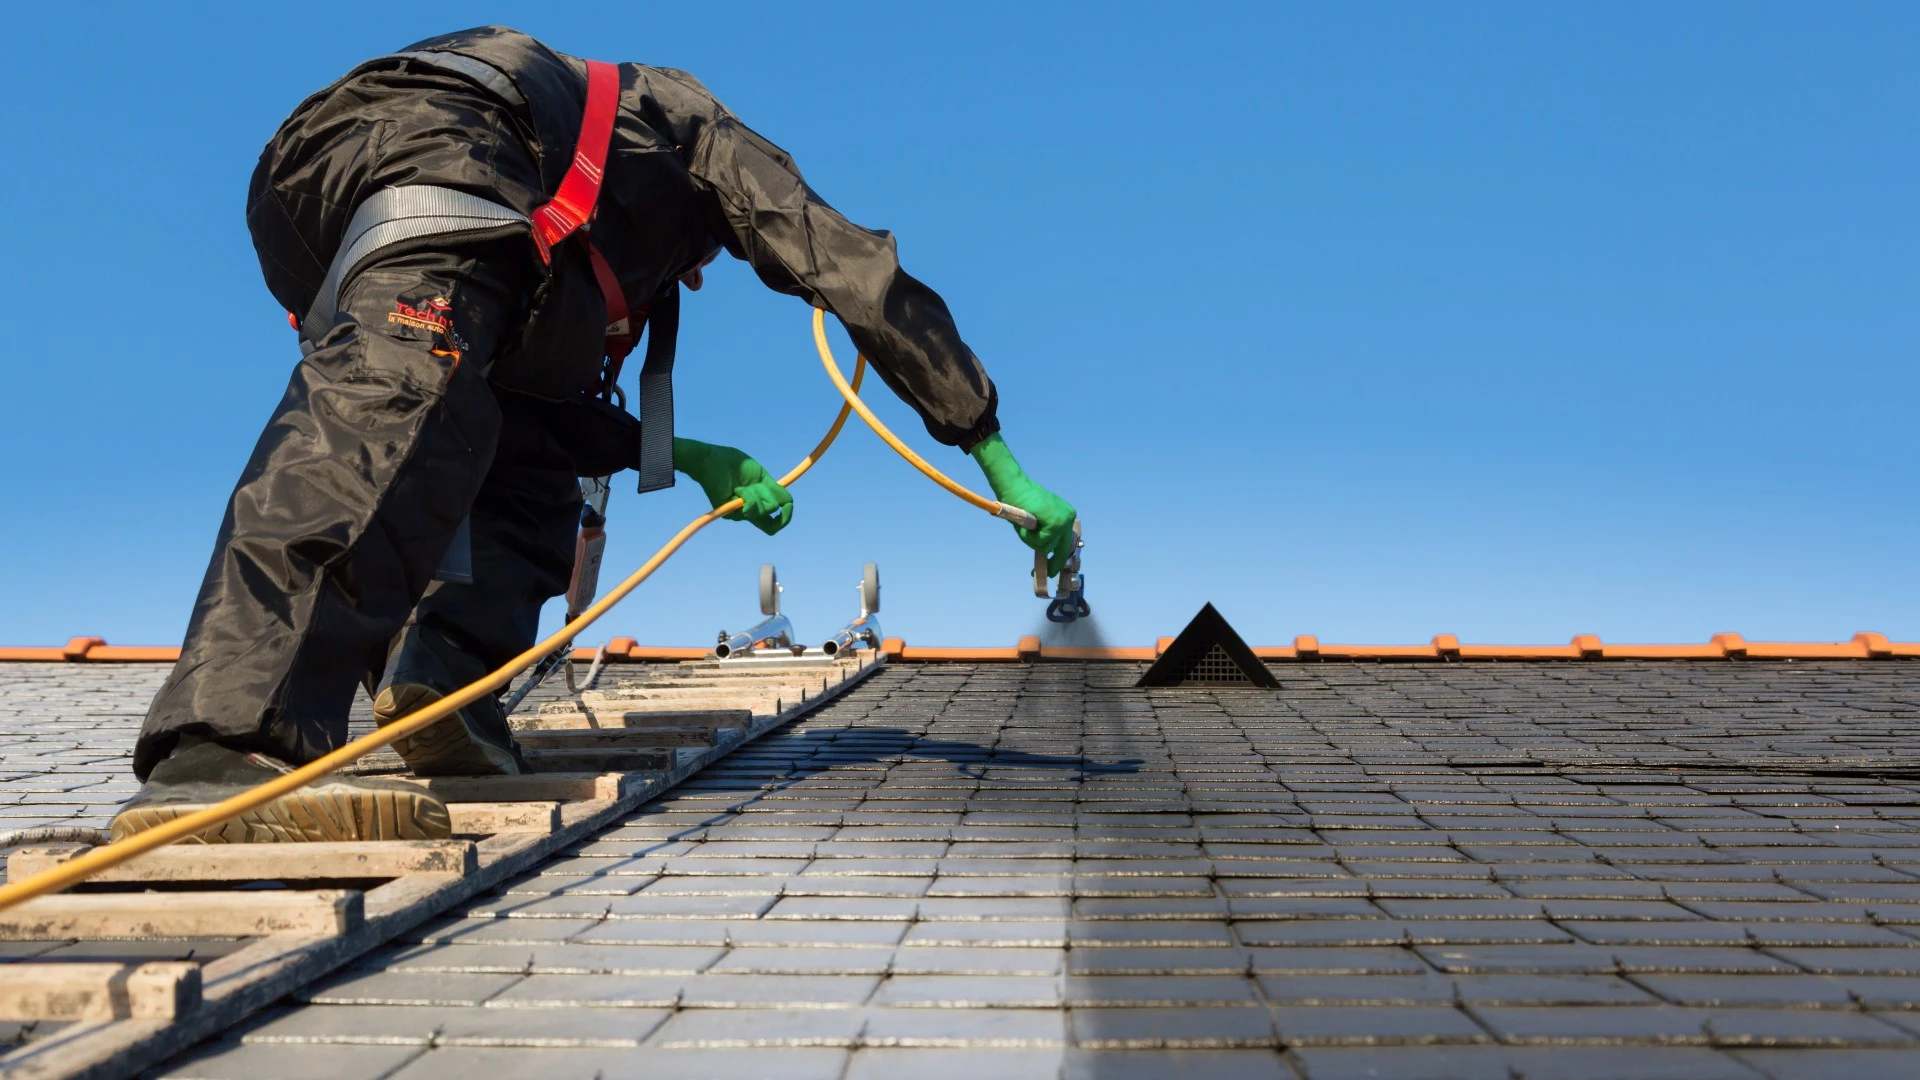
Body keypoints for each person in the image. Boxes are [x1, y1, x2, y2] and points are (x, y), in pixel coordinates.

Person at [111, 26, 1076, 843]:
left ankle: (440, 680)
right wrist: (996, 457)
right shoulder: (690, 129)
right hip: (435, 146)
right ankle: (227, 742)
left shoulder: (563, 235)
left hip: (324, 188)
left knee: (492, 429)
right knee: (393, 401)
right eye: (699, 261)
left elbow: (554, 423)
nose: (692, 277)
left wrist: (692, 458)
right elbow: (849, 266)